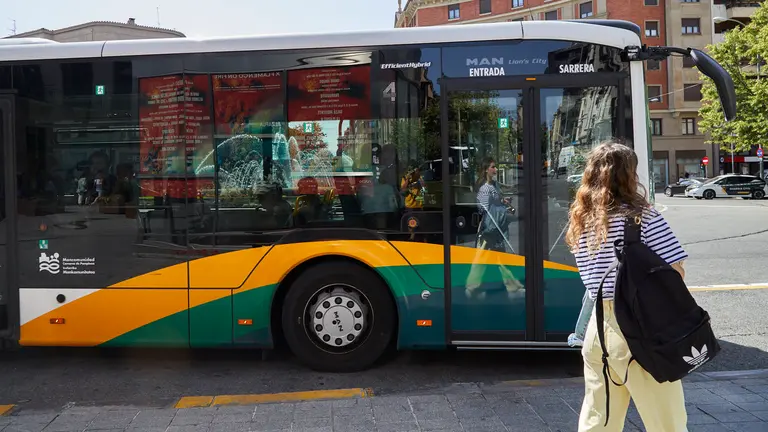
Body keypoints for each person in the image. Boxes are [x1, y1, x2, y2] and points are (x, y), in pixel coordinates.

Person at [564, 141, 688, 432]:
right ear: (628, 174)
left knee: (598, 421)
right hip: (640, 329)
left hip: (596, 332)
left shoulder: (580, 220)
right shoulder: (642, 217)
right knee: (667, 423)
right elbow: (675, 273)